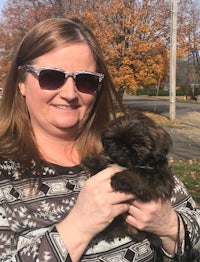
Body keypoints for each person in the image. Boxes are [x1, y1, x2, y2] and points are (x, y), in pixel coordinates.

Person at [0, 17, 199, 262]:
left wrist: (169, 226)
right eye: (51, 77)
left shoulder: (125, 147)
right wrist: (78, 227)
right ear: (21, 81)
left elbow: (193, 225)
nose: (70, 94)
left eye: (85, 80)